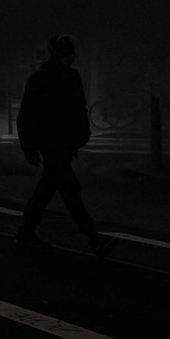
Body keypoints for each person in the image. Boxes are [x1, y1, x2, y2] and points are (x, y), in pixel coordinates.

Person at [16, 35, 116, 256]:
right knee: (70, 192)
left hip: (62, 144)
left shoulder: (68, 77)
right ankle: (93, 238)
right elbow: (28, 116)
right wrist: (29, 148)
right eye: (66, 56)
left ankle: (27, 230)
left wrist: (80, 135)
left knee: (48, 190)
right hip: (53, 144)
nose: (70, 60)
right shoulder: (43, 80)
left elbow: (78, 109)